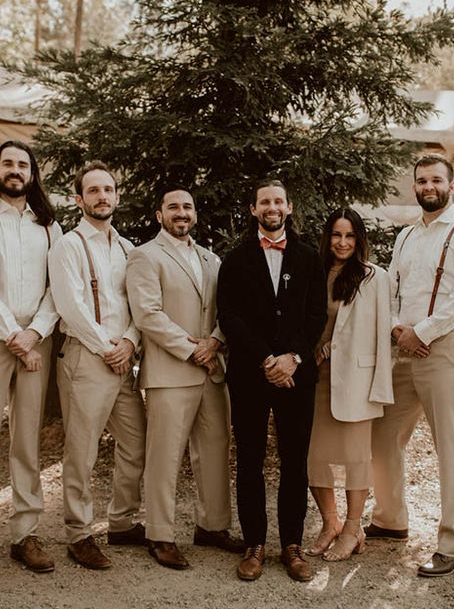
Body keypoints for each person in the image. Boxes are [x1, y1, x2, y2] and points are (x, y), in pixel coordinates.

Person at [366, 153, 454, 577]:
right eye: (421, 181)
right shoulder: (406, 237)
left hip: (449, 347)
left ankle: (453, 545)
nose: (428, 187)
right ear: (415, 186)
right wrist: (402, 330)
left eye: (436, 179)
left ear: (451, 186)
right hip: (405, 346)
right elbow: (392, 292)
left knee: (451, 447)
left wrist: (425, 332)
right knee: (382, 434)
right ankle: (390, 519)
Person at [126, 188, 241, 570]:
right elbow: (147, 314)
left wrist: (215, 342)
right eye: (173, 207)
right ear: (160, 214)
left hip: (211, 371)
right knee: (166, 455)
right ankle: (160, 534)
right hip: (172, 371)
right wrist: (193, 349)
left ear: (195, 214)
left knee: (214, 450)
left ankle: (212, 526)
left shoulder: (211, 258)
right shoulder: (145, 256)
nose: (181, 212)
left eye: (187, 206)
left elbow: (228, 309)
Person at [217, 179, 326, 582]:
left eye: (278, 201)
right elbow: (229, 316)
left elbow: (316, 315)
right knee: (250, 459)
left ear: (289, 207)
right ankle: (254, 544)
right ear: (253, 209)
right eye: (265, 201)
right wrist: (266, 358)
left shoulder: (308, 257)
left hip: (297, 375)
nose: (272, 207)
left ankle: (292, 546)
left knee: (295, 460)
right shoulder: (235, 259)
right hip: (250, 373)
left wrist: (292, 359)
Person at [49, 161, 147, 569]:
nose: (102, 197)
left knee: (137, 442)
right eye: (93, 191)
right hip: (87, 357)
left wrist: (129, 341)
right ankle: (79, 533)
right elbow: (69, 306)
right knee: (82, 450)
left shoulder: (127, 248)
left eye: (108, 190)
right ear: (79, 199)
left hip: (122, 356)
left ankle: (122, 522)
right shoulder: (68, 246)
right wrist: (108, 347)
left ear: (117, 196)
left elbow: (139, 303)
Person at [305, 208, 393, 562]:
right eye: (337, 235)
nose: (343, 243)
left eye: (350, 236)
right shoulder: (315, 272)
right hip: (315, 378)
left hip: (357, 379)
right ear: (328, 238)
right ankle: (331, 523)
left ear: (359, 240)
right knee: (313, 458)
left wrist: (380, 388)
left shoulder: (374, 277)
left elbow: (382, 336)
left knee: (357, 459)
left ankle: (354, 529)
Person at [0, 139, 61, 573]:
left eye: (22, 164)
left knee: (25, 439)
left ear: (33, 173)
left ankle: (25, 533)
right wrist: (13, 334)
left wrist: (35, 332)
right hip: (3, 336)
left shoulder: (49, 226)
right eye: (7, 163)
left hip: (36, 341)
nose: (14, 170)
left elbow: (59, 286)